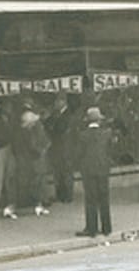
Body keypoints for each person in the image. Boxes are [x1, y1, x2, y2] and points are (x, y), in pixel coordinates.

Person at [75, 106, 113, 238]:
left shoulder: (82, 136)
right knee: (104, 197)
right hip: (103, 168)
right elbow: (110, 151)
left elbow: (79, 153)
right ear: (99, 121)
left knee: (91, 199)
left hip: (89, 169)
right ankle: (106, 227)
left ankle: (91, 228)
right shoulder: (107, 133)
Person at [46, 94, 75, 203]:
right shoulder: (56, 115)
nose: (55, 104)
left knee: (66, 171)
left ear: (63, 102)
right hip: (58, 147)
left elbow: (60, 129)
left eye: (57, 101)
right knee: (58, 171)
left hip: (65, 146)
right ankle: (60, 194)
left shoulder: (68, 115)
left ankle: (67, 195)